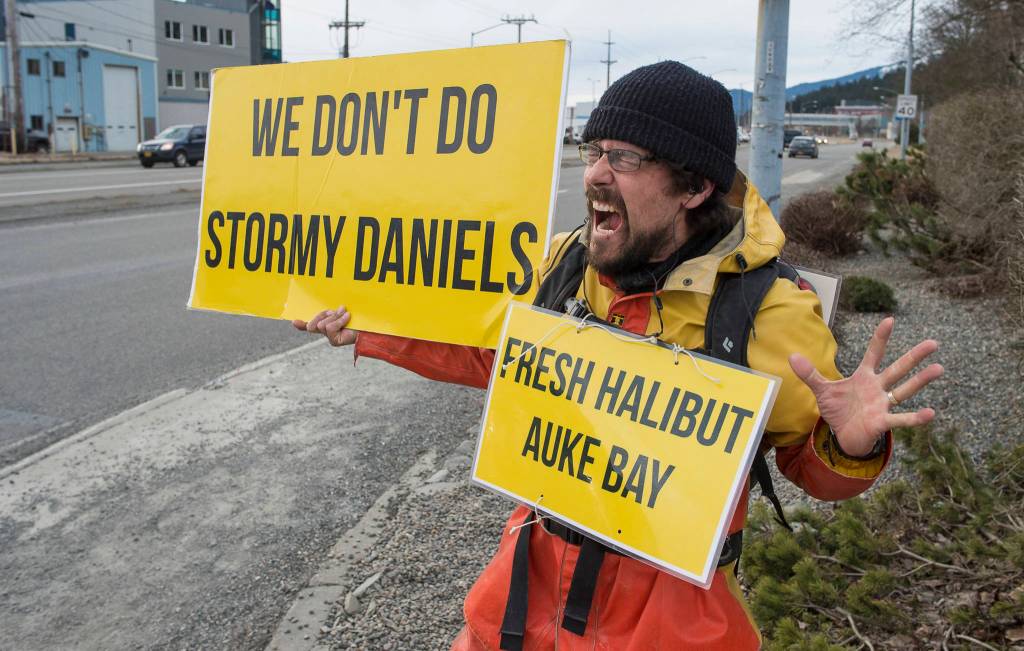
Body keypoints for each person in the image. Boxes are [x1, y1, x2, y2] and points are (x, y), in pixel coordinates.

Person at [293, 61, 942, 650]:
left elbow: (809, 466)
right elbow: (492, 351)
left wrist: (849, 445)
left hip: (671, 627)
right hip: (521, 601)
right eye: (593, 149)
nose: (595, 172)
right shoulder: (567, 262)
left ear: (692, 187)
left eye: (625, 157)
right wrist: (369, 327)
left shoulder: (767, 308)